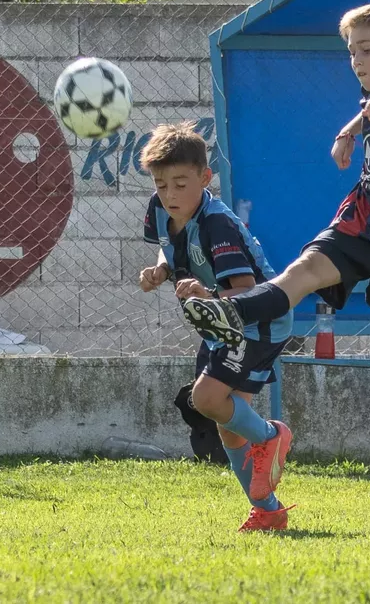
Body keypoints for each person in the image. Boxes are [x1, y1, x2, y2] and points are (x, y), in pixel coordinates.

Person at [179, 0, 370, 532]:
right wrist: (350, 129)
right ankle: (231, 312)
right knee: (300, 274)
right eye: (351, 52)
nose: (356, 60)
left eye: (366, 50)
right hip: (360, 223)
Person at [137, 122, 294, 532]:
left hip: (257, 320)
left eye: (180, 184)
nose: (170, 195)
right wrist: (161, 270)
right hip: (220, 324)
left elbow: (244, 290)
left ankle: (271, 436)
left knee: (206, 399)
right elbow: (170, 246)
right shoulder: (159, 210)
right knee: (228, 425)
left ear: (205, 179)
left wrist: (206, 292)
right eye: (161, 184)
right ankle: (268, 511)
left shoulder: (217, 225)